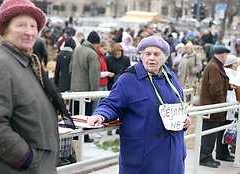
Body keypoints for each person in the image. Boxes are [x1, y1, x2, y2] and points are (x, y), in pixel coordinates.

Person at [0, 0, 73, 173]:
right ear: (5, 29)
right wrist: (27, 159)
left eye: (33, 26)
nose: (29, 32)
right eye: (21, 25)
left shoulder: (26, 62)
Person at [87, 36, 191, 174]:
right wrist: (100, 115)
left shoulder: (170, 76)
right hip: (144, 155)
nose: (152, 58)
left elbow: (179, 104)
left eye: (156, 54)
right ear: (141, 56)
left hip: (172, 153)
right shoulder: (129, 79)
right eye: (148, 54)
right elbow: (111, 104)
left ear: (164, 57)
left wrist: (185, 118)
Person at [199, 45, 234, 168]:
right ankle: (204, 158)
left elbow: (220, 82)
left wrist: (229, 86)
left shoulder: (215, 65)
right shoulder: (213, 67)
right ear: (223, 55)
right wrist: (222, 104)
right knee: (209, 134)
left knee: (212, 133)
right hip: (212, 107)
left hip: (214, 107)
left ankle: (208, 156)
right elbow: (215, 88)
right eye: (226, 55)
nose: (227, 57)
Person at [69, 31, 101, 143]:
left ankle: (75, 136)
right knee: (86, 115)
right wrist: (94, 92)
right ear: (96, 43)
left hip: (75, 88)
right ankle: (85, 137)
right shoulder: (92, 53)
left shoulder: (77, 50)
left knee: (75, 114)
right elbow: (94, 75)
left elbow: (70, 69)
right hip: (86, 90)